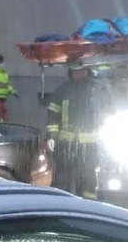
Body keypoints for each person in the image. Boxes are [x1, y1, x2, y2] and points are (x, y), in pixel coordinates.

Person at [45, 62, 107, 198]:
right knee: (61, 179)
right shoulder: (63, 90)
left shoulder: (95, 90)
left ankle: (88, 207)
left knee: (87, 179)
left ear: (86, 71)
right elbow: (53, 114)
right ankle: (61, 204)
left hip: (88, 146)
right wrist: (51, 136)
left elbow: (105, 112)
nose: (77, 75)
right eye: (74, 72)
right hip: (65, 145)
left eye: (80, 71)